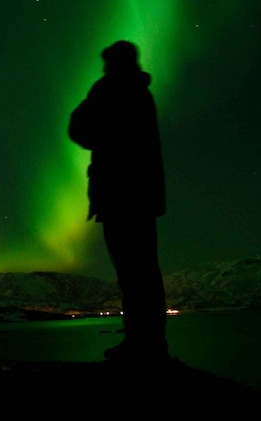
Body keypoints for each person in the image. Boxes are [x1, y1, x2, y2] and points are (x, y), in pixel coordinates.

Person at [68, 40, 169, 361]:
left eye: (107, 64)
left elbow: (79, 128)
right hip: (139, 195)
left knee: (134, 272)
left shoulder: (115, 91)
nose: (103, 69)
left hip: (121, 195)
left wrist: (99, 90)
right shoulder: (139, 93)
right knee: (141, 272)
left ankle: (143, 346)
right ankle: (147, 344)